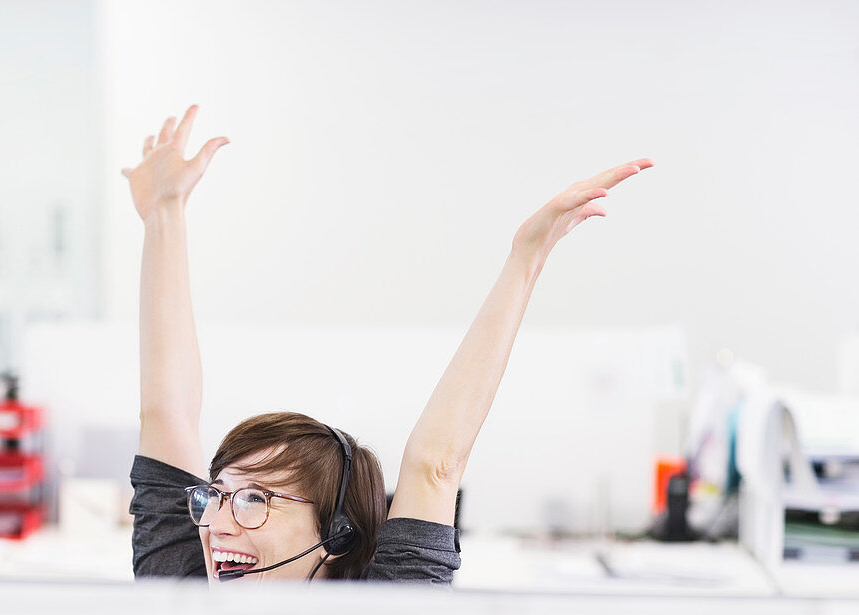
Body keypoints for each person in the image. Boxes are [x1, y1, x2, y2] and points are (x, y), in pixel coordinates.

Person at [121, 104, 652, 584]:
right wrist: (164, 213)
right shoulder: (183, 591)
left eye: (254, 500)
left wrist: (527, 258)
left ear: (336, 536)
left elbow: (436, 463)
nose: (216, 525)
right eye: (216, 496)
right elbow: (165, 413)